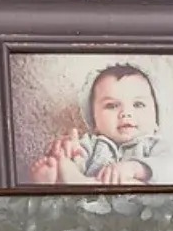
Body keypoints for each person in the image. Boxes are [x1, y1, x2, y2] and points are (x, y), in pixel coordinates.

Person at [30, 63, 160, 186]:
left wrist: (135, 168)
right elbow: (80, 159)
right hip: (93, 199)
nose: (125, 113)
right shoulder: (92, 144)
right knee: (66, 164)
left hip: (141, 200)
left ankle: (75, 182)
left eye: (138, 104)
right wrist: (67, 152)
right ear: (94, 121)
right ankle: (56, 179)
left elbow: (171, 167)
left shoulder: (155, 145)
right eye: (112, 106)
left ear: (156, 119)